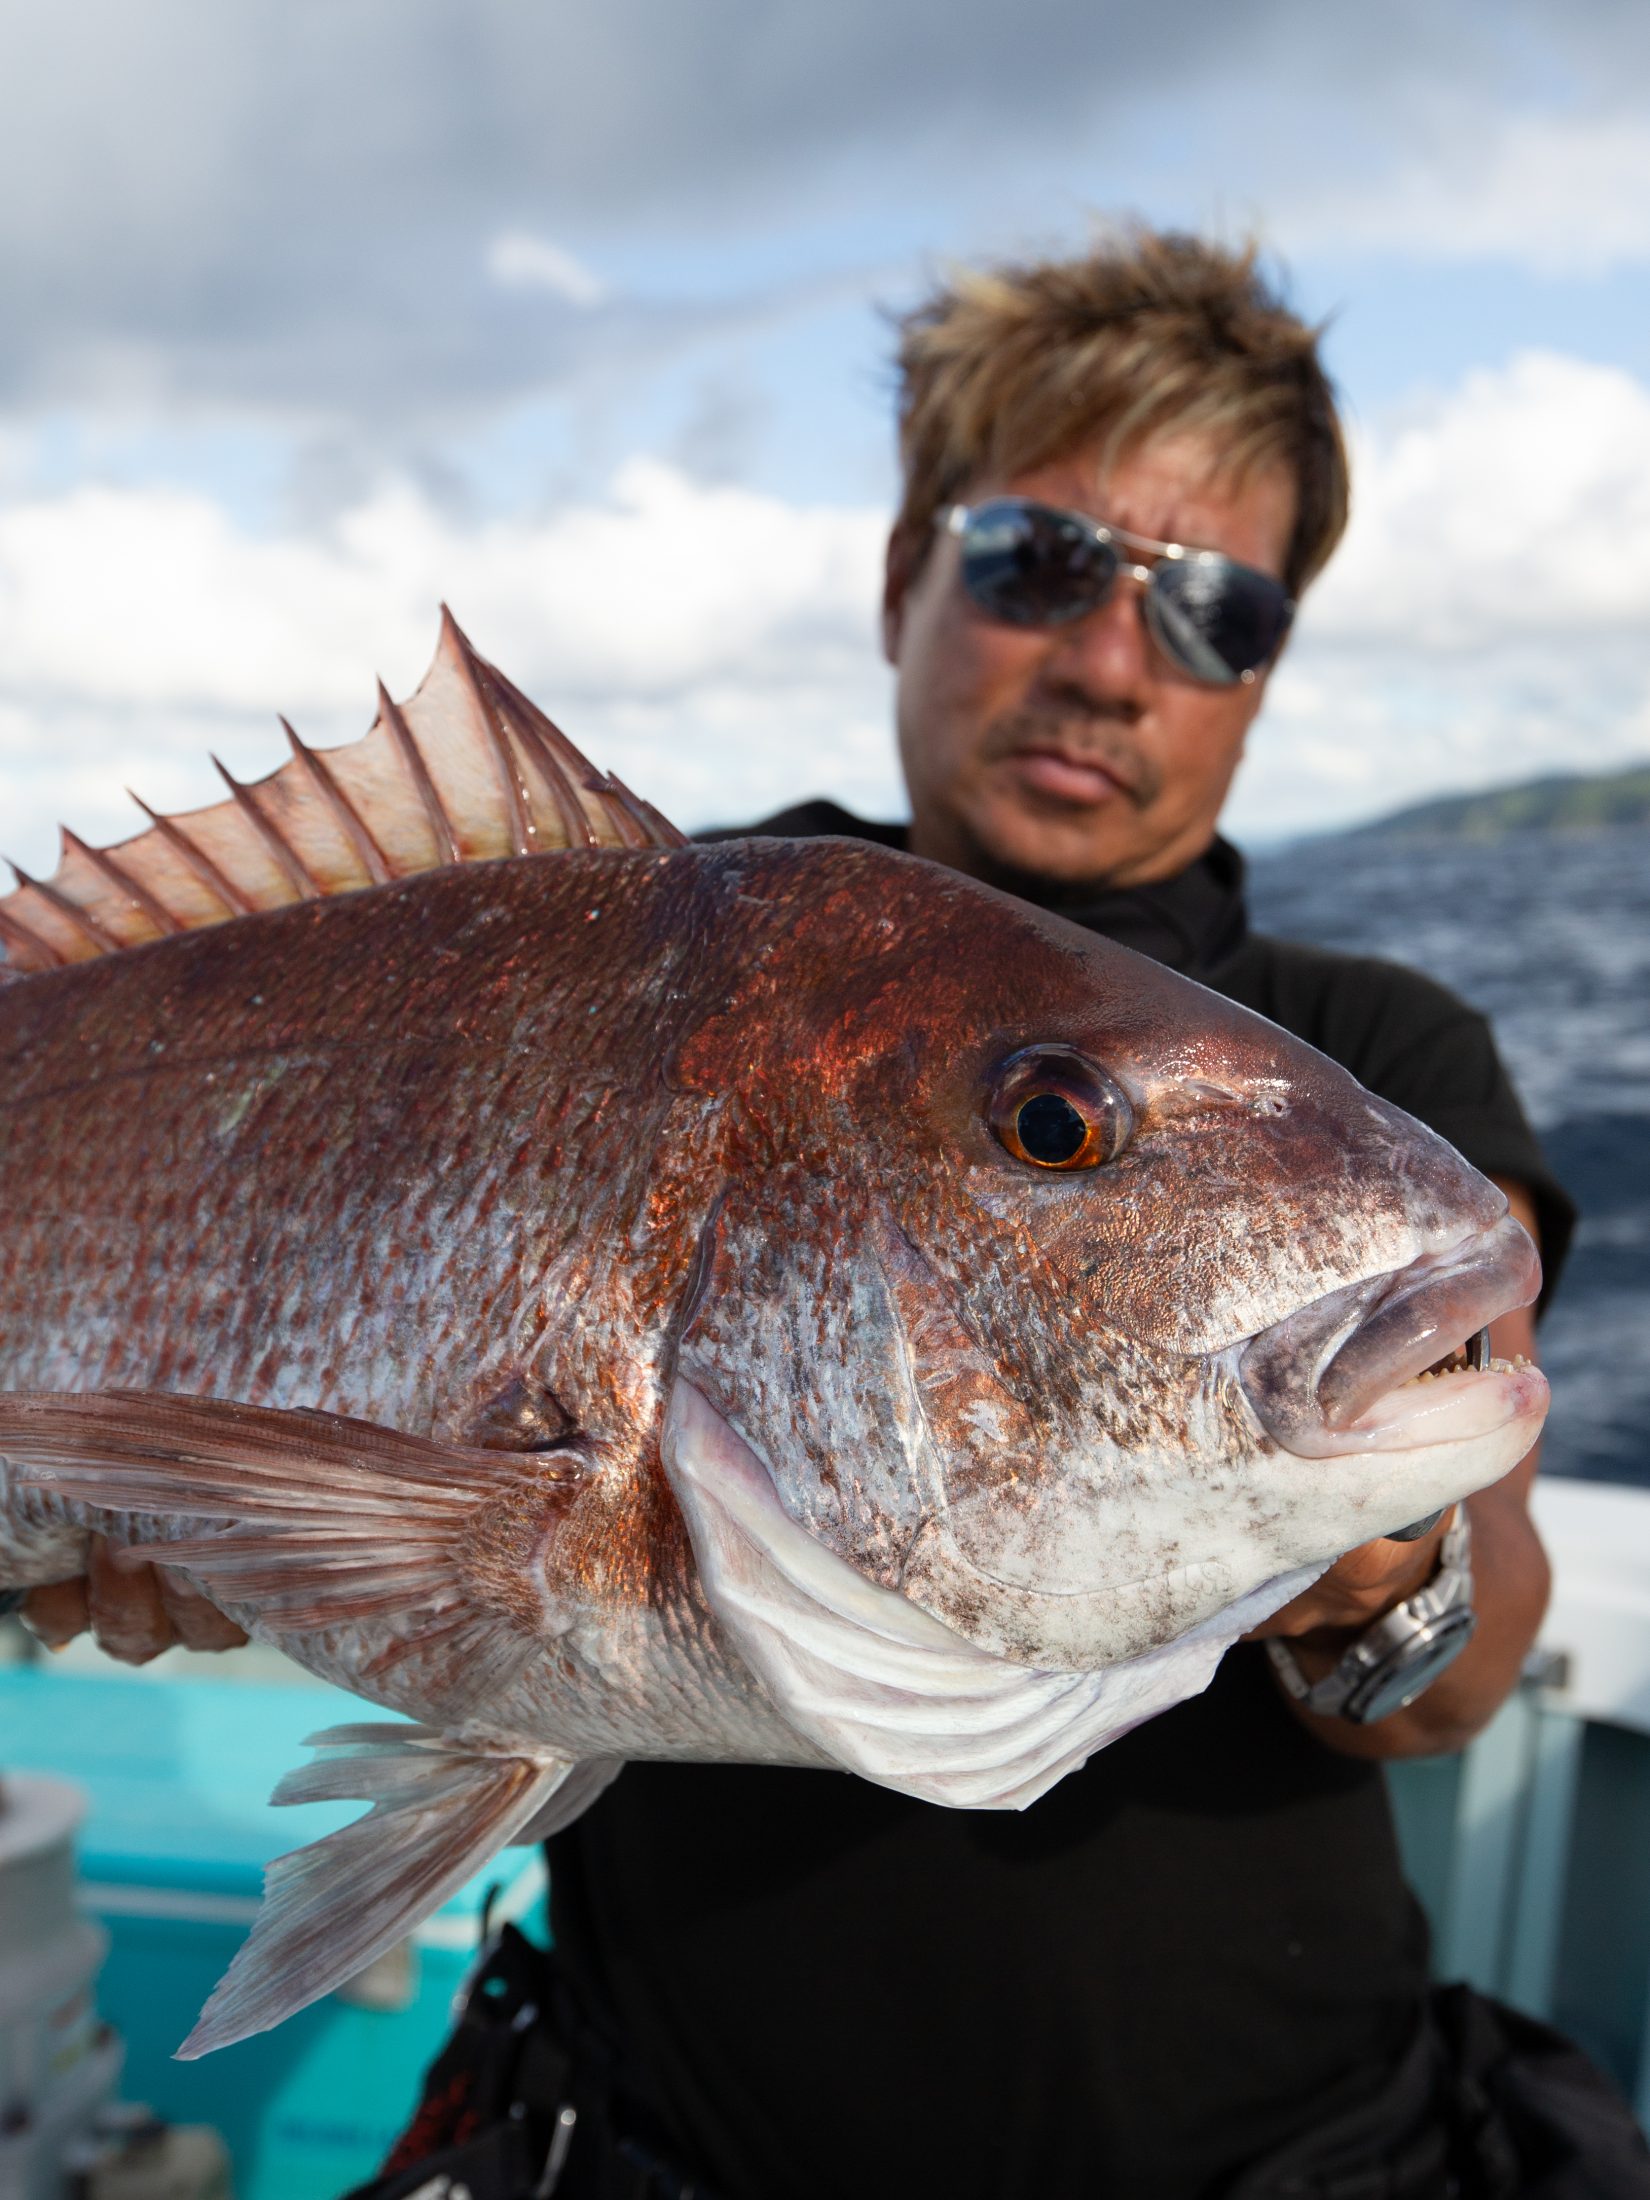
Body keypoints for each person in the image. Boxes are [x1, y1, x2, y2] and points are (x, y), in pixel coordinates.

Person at [29, 229, 1577, 2200]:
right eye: (1037, 560)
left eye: (1216, 607)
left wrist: (1377, 1550)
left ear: (1267, 671)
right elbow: (242, 1477)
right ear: (901, 576)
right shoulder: (673, 953)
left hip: (1285, 2151)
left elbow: (1462, 1646)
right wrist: (183, 1525)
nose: (1113, 655)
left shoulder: (1373, 1039)